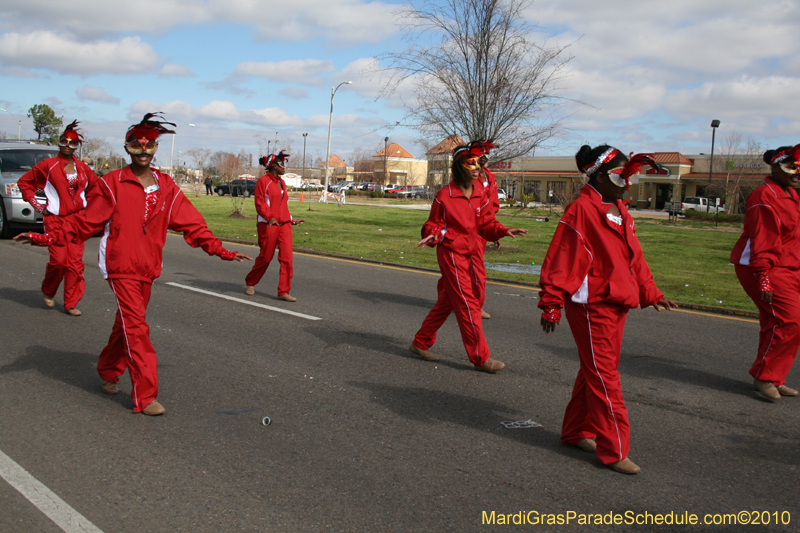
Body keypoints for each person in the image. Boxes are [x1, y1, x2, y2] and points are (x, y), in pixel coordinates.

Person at [15, 113, 252, 416]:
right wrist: (45, 237)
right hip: (119, 265)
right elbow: (84, 223)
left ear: (155, 149)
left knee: (127, 322)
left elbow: (194, 225)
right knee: (137, 327)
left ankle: (108, 369)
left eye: (149, 145)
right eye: (136, 144)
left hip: (148, 267)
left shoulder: (167, 186)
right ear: (127, 148)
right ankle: (145, 395)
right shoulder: (112, 183)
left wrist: (222, 251)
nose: (143, 150)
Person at [538, 144, 678, 475]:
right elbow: (562, 256)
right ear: (598, 177)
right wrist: (551, 302)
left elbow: (634, 256)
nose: (626, 184)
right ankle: (614, 448)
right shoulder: (580, 211)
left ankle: (575, 431)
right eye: (619, 176)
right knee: (605, 377)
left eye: (628, 176)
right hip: (591, 305)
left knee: (596, 371)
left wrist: (650, 291)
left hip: (618, 301)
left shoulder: (618, 208)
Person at [409, 145, 528, 372]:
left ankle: (420, 342)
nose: (477, 168)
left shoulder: (479, 192)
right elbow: (433, 223)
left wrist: (503, 230)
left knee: (448, 301)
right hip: (452, 253)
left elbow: (485, 223)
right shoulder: (445, 195)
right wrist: (432, 234)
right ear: (458, 166)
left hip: (472, 252)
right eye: (471, 163)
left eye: (479, 163)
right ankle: (480, 358)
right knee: (468, 302)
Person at [731, 144, 800, 402]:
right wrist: (763, 276)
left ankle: (773, 376)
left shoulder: (791, 194)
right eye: (790, 166)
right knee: (789, 320)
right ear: (774, 166)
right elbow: (764, 239)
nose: (796, 172)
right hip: (762, 266)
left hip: (788, 267)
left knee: (778, 322)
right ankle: (765, 376)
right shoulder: (764, 195)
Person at [17, 120, 99, 316]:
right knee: (59, 261)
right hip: (55, 220)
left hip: (77, 222)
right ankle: (49, 290)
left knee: (74, 264)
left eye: (73, 143)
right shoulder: (48, 165)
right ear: (59, 142)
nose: (68, 146)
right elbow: (24, 183)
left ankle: (70, 302)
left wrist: (90, 210)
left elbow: (98, 189)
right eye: (64, 141)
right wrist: (39, 206)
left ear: (78, 146)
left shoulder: (83, 168)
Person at [244, 151, 305, 301]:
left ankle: (283, 291)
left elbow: (283, 205)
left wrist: (291, 219)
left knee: (287, 259)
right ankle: (251, 282)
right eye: (282, 164)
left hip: (284, 226)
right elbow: (260, 203)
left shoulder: (281, 182)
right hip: (268, 225)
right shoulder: (263, 181)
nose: (285, 167)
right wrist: (270, 217)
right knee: (265, 257)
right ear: (274, 166)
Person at [471, 139, 500, 320]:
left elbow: (491, 207)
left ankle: (473, 303)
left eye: (486, 154)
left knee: (476, 268)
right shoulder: (467, 177)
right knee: (469, 269)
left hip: (481, 230)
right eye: (480, 154)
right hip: (465, 229)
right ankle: (467, 303)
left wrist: (494, 231)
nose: (484, 158)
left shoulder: (490, 178)